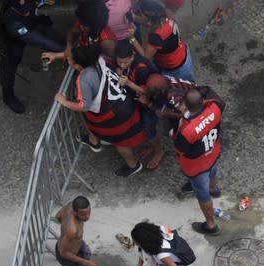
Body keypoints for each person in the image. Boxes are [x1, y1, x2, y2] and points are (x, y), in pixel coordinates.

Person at [54, 45, 147, 177]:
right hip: (122, 102)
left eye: (70, 60)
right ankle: (94, 141)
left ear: (77, 64)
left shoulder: (84, 80)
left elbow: (83, 106)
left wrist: (64, 101)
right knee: (93, 121)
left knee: (121, 142)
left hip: (116, 115)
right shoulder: (99, 59)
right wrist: (55, 55)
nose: (67, 60)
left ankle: (133, 165)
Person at [0, 0, 66, 113]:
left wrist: (65, 45)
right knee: (9, 64)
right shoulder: (11, 22)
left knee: (49, 31)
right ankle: (8, 95)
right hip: (13, 40)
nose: (28, 11)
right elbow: (35, 38)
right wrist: (64, 51)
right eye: (25, 11)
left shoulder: (27, 10)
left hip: (29, 23)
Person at [174, 89, 224, 235]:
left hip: (197, 166)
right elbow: (213, 96)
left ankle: (211, 225)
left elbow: (180, 148)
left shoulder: (185, 130)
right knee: (212, 170)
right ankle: (214, 189)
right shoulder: (215, 108)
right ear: (202, 101)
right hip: (212, 153)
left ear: (185, 105)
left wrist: (179, 125)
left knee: (202, 195)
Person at [114, 40, 164, 170]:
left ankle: (159, 151)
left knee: (149, 126)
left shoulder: (141, 69)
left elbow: (149, 92)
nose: (122, 65)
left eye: (126, 62)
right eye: (119, 62)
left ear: (133, 56)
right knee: (142, 126)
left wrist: (128, 83)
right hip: (138, 101)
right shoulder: (124, 63)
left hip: (149, 103)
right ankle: (152, 146)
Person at [127, 0, 194, 82]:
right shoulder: (166, 16)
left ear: (149, 19)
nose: (136, 15)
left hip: (175, 67)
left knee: (182, 85)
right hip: (183, 54)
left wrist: (132, 39)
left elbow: (146, 56)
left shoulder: (156, 36)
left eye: (139, 14)